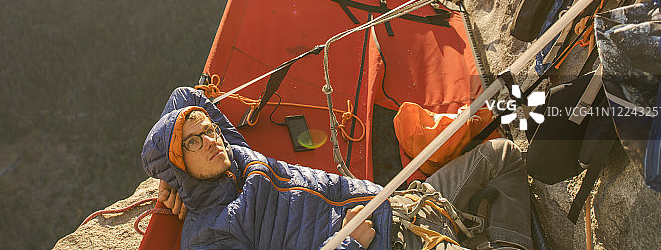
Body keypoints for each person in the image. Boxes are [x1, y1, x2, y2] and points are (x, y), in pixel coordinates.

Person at [142, 87, 533, 250]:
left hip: (400, 205)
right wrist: (351, 244)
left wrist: (168, 176)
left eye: (207, 131)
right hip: (387, 244)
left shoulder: (237, 157)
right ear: (181, 159)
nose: (210, 140)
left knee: (502, 156)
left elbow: (186, 95)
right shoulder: (207, 234)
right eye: (192, 142)